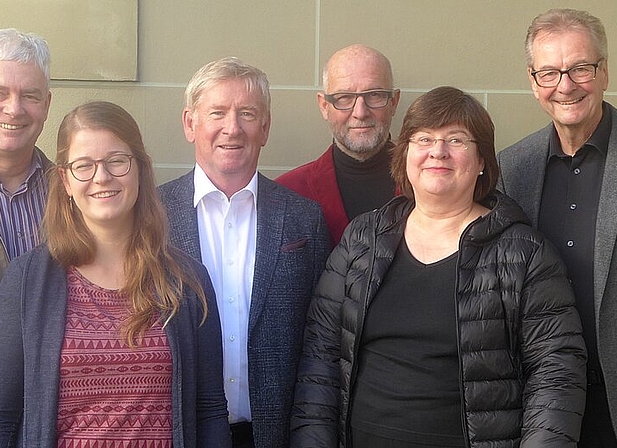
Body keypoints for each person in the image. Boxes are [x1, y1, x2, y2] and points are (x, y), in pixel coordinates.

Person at [291, 86, 587, 447]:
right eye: (423, 138)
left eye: (457, 140)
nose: (438, 152)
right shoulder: (362, 240)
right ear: (405, 156)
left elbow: (556, 374)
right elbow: (321, 357)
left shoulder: (525, 254)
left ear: (481, 162)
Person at [0, 101, 230, 447]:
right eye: (84, 165)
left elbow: (209, 410)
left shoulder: (186, 281)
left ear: (139, 168)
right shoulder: (26, 283)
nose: (102, 176)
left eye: (116, 161)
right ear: (65, 180)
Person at [159, 57, 330, 448]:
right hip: (182, 433)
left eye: (247, 113)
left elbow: (324, 342)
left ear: (265, 127)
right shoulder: (151, 218)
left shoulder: (304, 218)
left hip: (276, 434)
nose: (232, 128)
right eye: (217, 112)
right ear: (190, 123)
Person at [497, 9, 617, 446]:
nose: (565, 86)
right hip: (542, 399)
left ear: (604, 71)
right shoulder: (513, 167)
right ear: (533, 82)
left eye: (580, 68)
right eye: (549, 72)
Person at [0, 28, 52, 414]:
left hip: (53, 413)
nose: (14, 108)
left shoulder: (75, 195)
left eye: (30, 95)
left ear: (48, 104)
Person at [276, 44, 400, 245]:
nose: (360, 112)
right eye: (344, 97)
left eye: (374, 95)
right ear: (324, 106)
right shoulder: (287, 193)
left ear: (394, 102)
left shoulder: (430, 184)